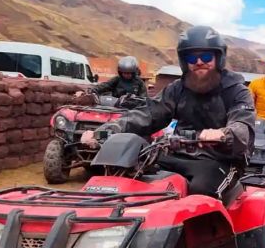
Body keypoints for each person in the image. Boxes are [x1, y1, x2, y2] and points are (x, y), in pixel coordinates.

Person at [81, 26, 256, 197]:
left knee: (201, 192)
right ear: (184, 61)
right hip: (178, 154)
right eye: (192, 58)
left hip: (221, 160)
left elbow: (242, 127)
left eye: (206, 56)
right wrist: (104, 132)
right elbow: (147, 114)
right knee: (132, 174)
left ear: (219, 58)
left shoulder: (236, 91)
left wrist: (223, 134)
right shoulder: (177, 89)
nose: (199, 62)